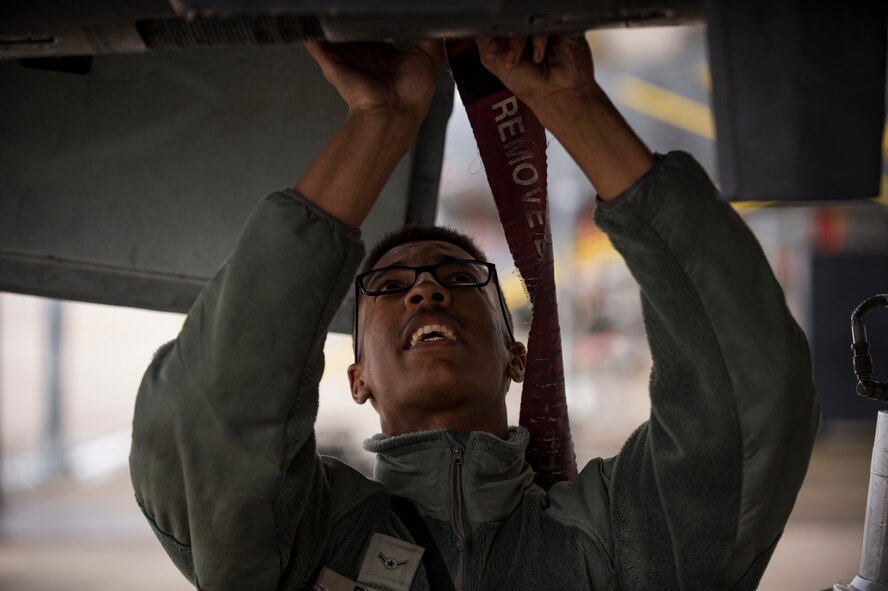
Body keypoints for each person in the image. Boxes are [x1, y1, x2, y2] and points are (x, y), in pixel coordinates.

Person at [129, 35, 819, 590]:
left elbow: (750, 399)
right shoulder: (300, 538)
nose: (426, 291)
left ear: (516, 356)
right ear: (358, 375)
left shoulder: (613, 543)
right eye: (391, 286)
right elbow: (202, 418)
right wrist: (378, 124)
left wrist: (572, 104)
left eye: (459, 278)